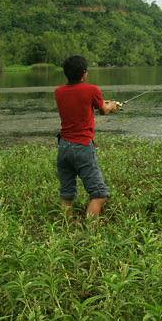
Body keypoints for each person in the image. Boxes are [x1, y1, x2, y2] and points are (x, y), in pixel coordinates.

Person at [54, 55, 120, 220]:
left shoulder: (59, 92)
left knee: (67, 194)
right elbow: (103, 110)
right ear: (84, 73)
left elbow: (78, 100)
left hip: (63, 147)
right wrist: (112, 106)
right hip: (82, 146)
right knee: (99, 194)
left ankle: (68, 230)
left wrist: (101, 102)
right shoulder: (92, 90)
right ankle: (90, 234)